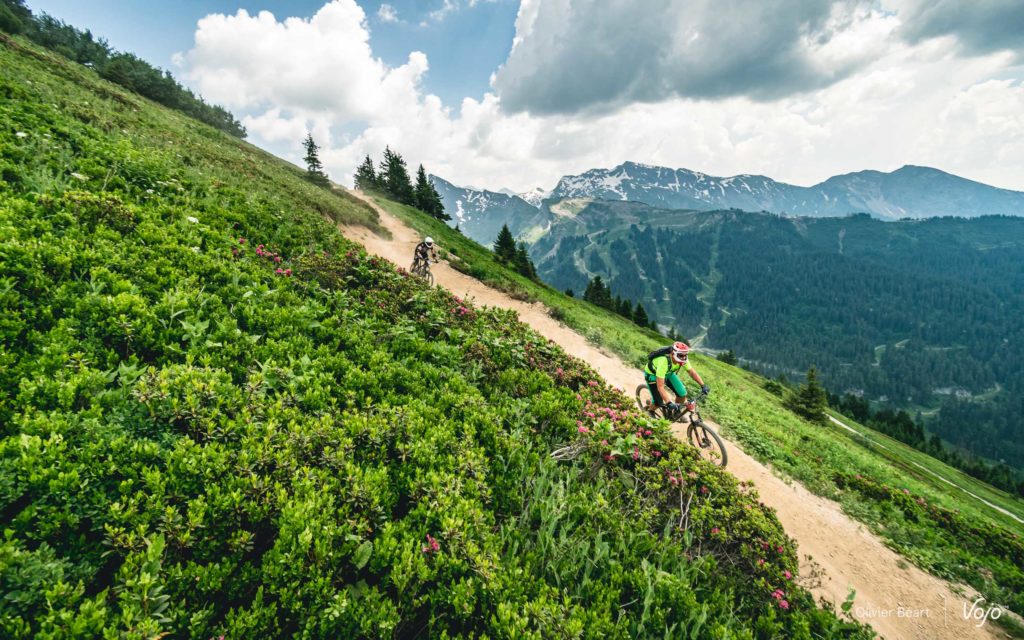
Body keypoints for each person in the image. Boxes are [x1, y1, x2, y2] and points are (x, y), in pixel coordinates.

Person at [643, 341, 710, 416]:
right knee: (658, 403)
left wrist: (703, 385)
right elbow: (660, 386)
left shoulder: (683, 359)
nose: (684, 357)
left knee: (682, 394)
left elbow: (691, 372)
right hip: (652, 375)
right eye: (681, 355)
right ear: (673, 353)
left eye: (685, 355)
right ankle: (650, 411)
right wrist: (668, 402)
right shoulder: (664, 361)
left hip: (668, 373)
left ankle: (675, 411)